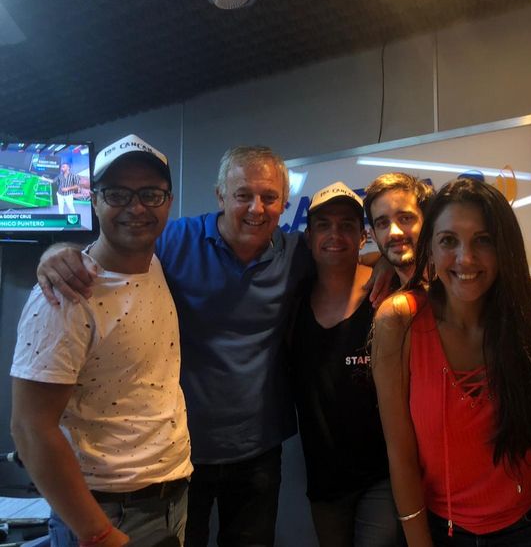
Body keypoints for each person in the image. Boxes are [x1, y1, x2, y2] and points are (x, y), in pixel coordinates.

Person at [37, 146, 313, 547]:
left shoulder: (296, 254)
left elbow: (349, 262)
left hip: (258, 448)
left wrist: (389, 268)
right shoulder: (175, 240)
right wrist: (54, 253)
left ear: (284, 202)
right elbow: (113, 248)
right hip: (182, 453)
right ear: (220, 196)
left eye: (269, 197)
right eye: (243, 195)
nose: (256, 208)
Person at [10, 134, 192, 547]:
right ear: (93, 201)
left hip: (170, 495)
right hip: (106, 513)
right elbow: (29, 428)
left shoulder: (156, 262)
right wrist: (99, 533)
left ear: (168, 201)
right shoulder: (64, 297)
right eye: (117, 194)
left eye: (150, 194)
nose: (136, 208)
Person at [372, 177, 531, 546]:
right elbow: (399, 453)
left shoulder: (530, 315)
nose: (466, 258)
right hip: (447, 530)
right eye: (449, 241)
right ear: (430, 247)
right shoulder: (400, 321)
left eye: (483, 240)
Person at [288, 181, 399, 547]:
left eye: (347, 225)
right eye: (324, 225)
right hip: (324, 480)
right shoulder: (293, 301)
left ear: (363, 236)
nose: (335, 234)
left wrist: (388, 260)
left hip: (383, 473)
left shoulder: (387, 295)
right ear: (308, 237)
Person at [364, 173, 434, 286]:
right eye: (383, 223)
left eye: (405, 218)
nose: (394, 232)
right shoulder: (379, 294)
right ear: (374, 235)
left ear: (427, 223)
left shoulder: (457, 287)